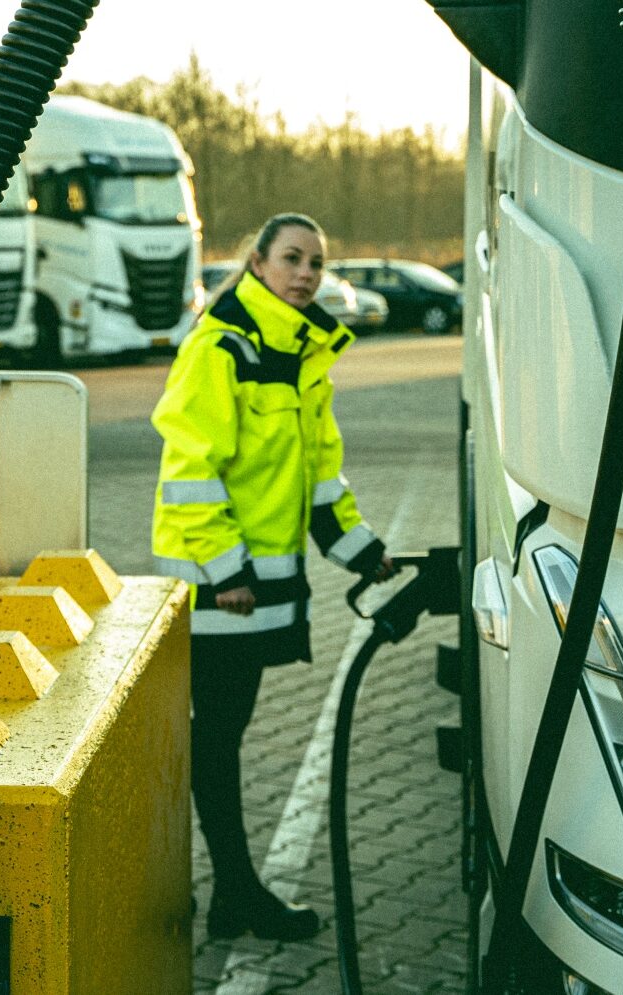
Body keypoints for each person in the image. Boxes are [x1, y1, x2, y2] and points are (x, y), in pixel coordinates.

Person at [151, 213, 393, 941]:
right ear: (256, 264)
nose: (307, 273)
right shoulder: (221, 346)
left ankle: (227, 891)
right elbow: (190, 467)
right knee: (217, 737)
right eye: (292, 258)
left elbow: (319, 473)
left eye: (317, 262)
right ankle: (235, 892)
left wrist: (359, 548)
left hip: (254, 585)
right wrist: (224, 567)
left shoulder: (299, 354)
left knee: (222, 733)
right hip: (220, 582)